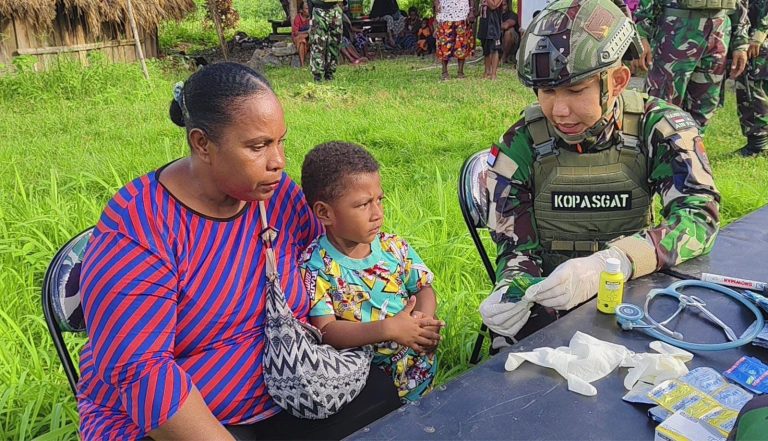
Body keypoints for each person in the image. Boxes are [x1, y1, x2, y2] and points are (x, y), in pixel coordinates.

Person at [76, 63, 402, 441]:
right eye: (258, 146)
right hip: (176, 423)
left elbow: (329, 261)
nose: (278, 160)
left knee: (382, 401)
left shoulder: (277, 196)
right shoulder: (140, 227)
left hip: (291, 388)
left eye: (281, 141)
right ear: (202, 144)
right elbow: (141, 372)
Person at [478, 0, 721, 350]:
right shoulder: (522, 141)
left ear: (619, 81)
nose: (559, 111)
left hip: (635, 292)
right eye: (547, 92)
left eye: (576, 91)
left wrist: (615, 261)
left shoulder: (658, 128)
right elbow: (516, 245)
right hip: (548, 298)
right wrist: (513, 289)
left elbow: (699, 217)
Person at [300, 142, 443, 403]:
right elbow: (328, 330)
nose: (377, 213)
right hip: (368, 388)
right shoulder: (316, 266)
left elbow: (423, 287)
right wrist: (388, 328)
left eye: (379, 200)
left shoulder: (393, 247)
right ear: (324, 213)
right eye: (363, 204)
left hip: (419, 374)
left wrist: (421, 321)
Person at [633, 0, 749, 129]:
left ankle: (693, 144)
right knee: (662, 102)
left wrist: (741, 43)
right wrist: (641, 35)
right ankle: (659, 145)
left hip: (719, 33)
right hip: (676, 32)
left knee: (705, 103)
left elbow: (741, 5)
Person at [735, 0, 768, 156]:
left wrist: (760, 32)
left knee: (751, 84)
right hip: (751, 32)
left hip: (758, 37)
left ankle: (758, 144)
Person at [435, 0, 474, 80]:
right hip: (445, 15)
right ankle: (444, 72)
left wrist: (471, 10)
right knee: (444, 44)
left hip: (462, 14)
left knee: (462, 43)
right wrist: (437, 7)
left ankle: (460, 72)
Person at [309, 0, 344, 82]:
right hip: (319, 9)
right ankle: (318, 76)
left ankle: (330, 73)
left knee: (335, 43)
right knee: (318, 44)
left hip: (335, 9)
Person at [477, 0, 504, 79]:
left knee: (495, 49)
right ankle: (487, 71)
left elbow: (493, 6)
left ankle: (493, 74)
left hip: (493, 24)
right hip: (484, 23)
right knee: (486, 49)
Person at [500, 1, 519, 66]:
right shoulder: (495, 14)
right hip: (498, 38)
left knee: (509, 31)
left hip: (512, 42)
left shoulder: (512, 14)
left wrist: (495, 25)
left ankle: (504, 57)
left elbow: (506, 26)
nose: (502, 7)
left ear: (508, 5)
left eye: (504, 5)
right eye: (500, 5)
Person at [292, 2, 311, 67]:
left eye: (309, 8)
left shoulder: (311, 18)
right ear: (301, 10)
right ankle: (302, 64)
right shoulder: (297, 18)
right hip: (298, 37)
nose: (308, 10)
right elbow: (296, 32)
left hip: (308, 36)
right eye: (306, 8)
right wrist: (307, 32)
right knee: (302, 41)